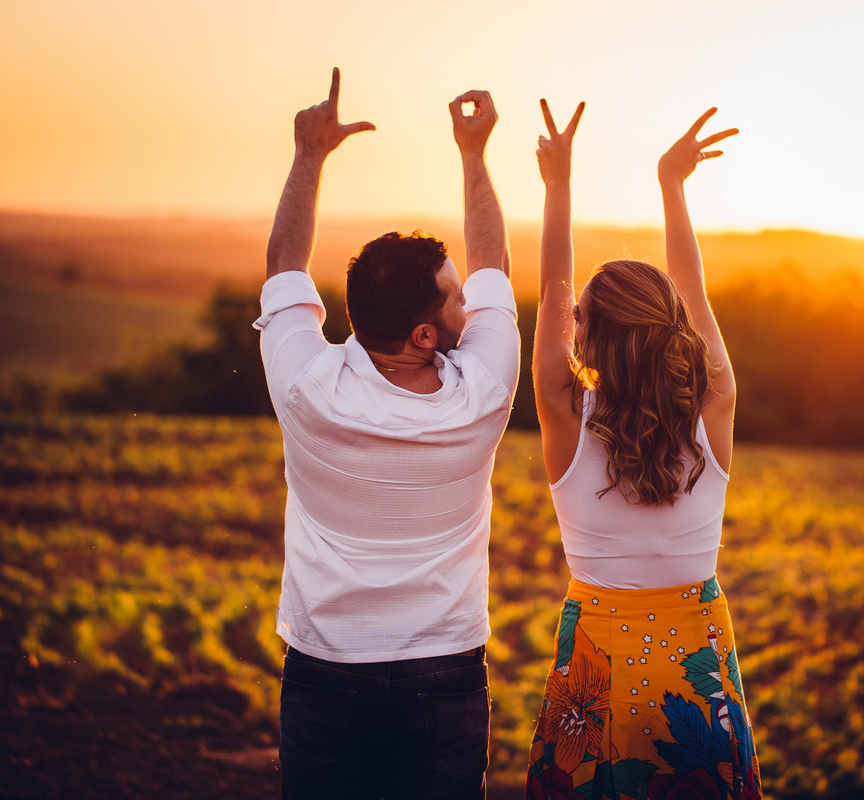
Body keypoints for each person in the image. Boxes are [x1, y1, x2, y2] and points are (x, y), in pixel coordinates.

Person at [254, 68, 520, 800]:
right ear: (426, 333)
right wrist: (474, 153)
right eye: (456, 294)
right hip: (447, 673)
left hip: (324, 670)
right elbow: (497, 264)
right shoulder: (485, 395)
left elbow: (283, 266)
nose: (473, 299)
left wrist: (310, 154)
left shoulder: (305, 388)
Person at [525, 99, 761, 799]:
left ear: (584, 333)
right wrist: (671, 184)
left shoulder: (564, 413)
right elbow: (691, 288)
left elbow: (549, 293)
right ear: (673, 329)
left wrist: (559, 185)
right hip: (699, 665)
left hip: (596, 667)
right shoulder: (712, 407)